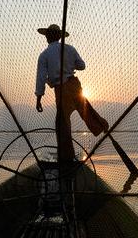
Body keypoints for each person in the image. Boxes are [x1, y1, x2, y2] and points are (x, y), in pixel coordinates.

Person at [35, 24, 109, 163]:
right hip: (74, 85)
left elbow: (40, 78)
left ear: (48, 37)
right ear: (59, 37)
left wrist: (39, 99)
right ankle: (103, 127)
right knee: (86, 110)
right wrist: (69, 65)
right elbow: (82, 65)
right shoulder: (69, 49)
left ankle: (67, 157)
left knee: (62, 123)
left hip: (61, 90)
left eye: (47, 35)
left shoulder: (44, 55)